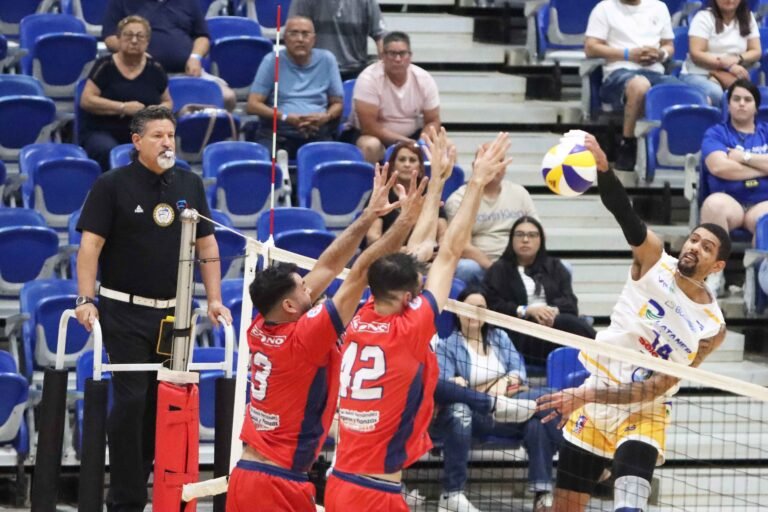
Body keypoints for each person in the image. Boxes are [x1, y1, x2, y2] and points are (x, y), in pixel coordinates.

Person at [535, 133, 729, 512]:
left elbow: (658, 385)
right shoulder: (654, 259)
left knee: (630, 501)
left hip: (644, 408)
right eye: (693, 239)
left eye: (706, 247)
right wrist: (605, 172)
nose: (694, 247)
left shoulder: (712, 327)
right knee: (565, 507)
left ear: (717, 265)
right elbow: (626, 215)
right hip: (597, 391)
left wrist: (586, 396)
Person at [324, 131, 513, 511]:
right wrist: (475, 181)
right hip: (373, 493)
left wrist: (438, 182)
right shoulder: (410, 328)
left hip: (343, 478)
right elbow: (450, 253)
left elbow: (418, 254)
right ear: (410, 296)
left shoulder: (361, 315)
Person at [227, 164, 428, 512]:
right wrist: (405, 221)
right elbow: (360, 274)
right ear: (290, 304)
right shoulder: (304, 338)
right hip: (277, 483)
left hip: (249, 474)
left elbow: (327, 267)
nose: (310, 285)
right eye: (302, 287)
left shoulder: (262, 325)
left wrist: (367, 218)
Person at [74, 106, 232, 512]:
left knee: (165, 403)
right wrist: (85, 299)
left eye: (171, 136)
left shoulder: (190, 183)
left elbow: (208, 245)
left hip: (174, 316)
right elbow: (90, 246)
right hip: (123, 312)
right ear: (137, 141)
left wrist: (214, 298)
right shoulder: (112, 184)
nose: (167, 142)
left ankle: (156, 490)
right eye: (158, 135)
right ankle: (124, 500)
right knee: (130, 402)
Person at [432, 286, 563, 512]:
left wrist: (494, 387)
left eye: (481, 308)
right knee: (548, 398)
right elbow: (448, 387)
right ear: (457, 311)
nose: (475, 312)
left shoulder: (499, 337)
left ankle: (542, 493)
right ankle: (453, 493)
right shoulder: (447, 346)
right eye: (469, 307)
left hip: (510, 411)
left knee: (537, 422)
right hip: (477, 417)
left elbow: (518, 374)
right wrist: (495, 390)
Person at [483, 216, 597, 365]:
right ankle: (605, 351)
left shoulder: (555, 267)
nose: (525, 239)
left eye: (532, 235)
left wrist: (550, 311)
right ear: (511, 239)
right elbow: (494, 306)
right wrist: (527, 311)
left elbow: (570, 303)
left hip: (556, 328)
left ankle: (601, 355)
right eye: (520, 234)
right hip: (522, 334)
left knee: (567, 321)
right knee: (572, 323)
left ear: (540, 239)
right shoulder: (499, 270)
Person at [585, 0, 678, 171]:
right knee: (640, 85)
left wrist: (660, 54)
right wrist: (627, 54)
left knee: (691, 93)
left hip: (655, 71)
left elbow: (669, 45)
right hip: (618, 72)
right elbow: (590, 48)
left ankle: (681, 150)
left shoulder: (658, 7)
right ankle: (627, 143)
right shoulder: (604, 8)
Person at [700, 79, 768, 296]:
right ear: (728, 104)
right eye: (736, 99)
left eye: (747, 100)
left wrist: (742, 157)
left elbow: (731, 165)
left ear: (756, 106)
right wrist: (762, 166)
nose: (741, 104)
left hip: (762, 202)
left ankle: (757, 284)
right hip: (730, 202)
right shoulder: (716, 133)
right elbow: (719, 167)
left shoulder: (766, 132)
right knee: (713, 205)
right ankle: (714, 276)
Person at [102, 0, 236, 110]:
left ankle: (216, 142)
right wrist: (138, 54)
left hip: (186, 73)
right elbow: (109, 37)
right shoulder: (123, 2)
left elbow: (202, 36)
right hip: (143, 76)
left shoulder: (188, 2)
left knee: (227, 97)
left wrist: (195, 57)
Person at [80, 15, 172, 172]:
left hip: (142, 132)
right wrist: (122, 107)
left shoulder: (155, 68)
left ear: (147, 42)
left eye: (140, 36)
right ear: (118, 39)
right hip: (103, 131)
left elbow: (168, 102)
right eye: (128, 35)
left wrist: (152, 113)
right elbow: (86, 100)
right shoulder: (104, 66)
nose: (134, 41)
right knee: (107, 150)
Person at [246, 16, 343, 160]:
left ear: (314, 39)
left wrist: (325, 117)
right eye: (294, 33)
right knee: (262, 167)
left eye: (305, 34)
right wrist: (284, 117)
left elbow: (338, 103)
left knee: (333, 170)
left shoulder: (327, 59)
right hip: (278, 133)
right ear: (285, 38)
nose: (300, 39)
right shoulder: (273, 60)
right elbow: (252, 105)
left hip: (317, 132)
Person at [444, 151, 538, 288]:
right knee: (466, 268)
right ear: (475, 166)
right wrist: (497, 269)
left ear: (505, 166)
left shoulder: (520, 193)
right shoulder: (458, 199)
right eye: (488, 160)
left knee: (564, 268)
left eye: (498, 161)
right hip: (481, 266)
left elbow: (537, 234)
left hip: (517, 262)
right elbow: (462, 246)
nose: (493, 166)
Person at [347, 31, 441, 164]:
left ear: (410, 56)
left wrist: (421, 142)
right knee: (369, 146)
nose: (397, 59)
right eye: (392, 54)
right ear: (383, 56)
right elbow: (369, 126)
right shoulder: (368, 78)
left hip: (414, 136)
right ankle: (373, 184)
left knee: (446, 145)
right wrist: (404, 142)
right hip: (374, 136)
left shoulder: (424, 79)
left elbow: (433, 120)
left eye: (402, 54)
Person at [365, 140, 448, 255]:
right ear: (393, 166)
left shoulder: (429, 194)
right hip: (387, 258)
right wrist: (402, 251)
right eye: (402, 159)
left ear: (420, 168)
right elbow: (372, 238)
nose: (407, 164)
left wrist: (438, 251)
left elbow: (443, 234)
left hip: (423, 257)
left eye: (412, 160)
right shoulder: (381, 193)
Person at [680, 0, 761, 107]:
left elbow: (756, 51)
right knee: (716, 93)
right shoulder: (703, 17)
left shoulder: (747, 17)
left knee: (747, 94)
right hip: (698, 73)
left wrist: (738, 58)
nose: (729, 0)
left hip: (732, 74)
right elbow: (696, 54)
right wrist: (729, 66)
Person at [288, 0, 386, 81]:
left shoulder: (367, 2)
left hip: (355, 73)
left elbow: (381, 38)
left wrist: (384, 75)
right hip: (314, 72)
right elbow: (292, 33)